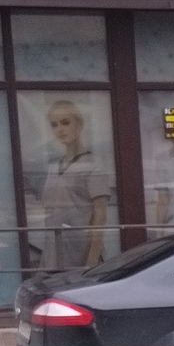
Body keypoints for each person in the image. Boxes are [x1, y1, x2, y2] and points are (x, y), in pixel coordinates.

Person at [33, 99, 113, 270]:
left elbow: (100, 216)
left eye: (65, 122)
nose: (60, 130)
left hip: (81, 251)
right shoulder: (53, 167)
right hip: (54, 251)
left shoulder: (92, 165)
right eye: (54, 125)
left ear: (79, 124)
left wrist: (91, 262)